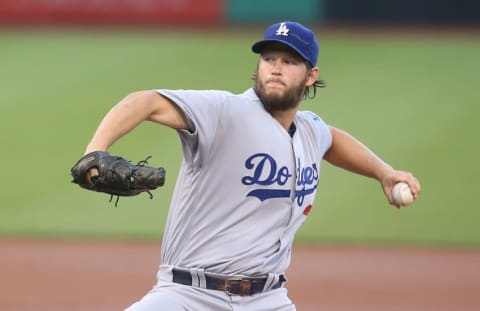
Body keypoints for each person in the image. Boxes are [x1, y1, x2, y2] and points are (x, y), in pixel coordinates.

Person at [83, 21, 421, 311]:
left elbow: (332, 140)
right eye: (269, 58)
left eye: (289, 61)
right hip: (188, 296)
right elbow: (146, 101)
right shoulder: (226, 112)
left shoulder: (308, 130)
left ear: (310, 75)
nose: (275, 67)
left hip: (268, 299)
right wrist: (95, 152)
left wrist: (384, 172)